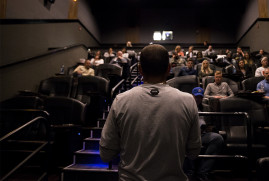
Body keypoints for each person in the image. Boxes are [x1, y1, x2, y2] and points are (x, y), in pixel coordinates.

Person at [100, 44, 201, 181]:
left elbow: (106, 154)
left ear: (140, 69)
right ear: (169, 69)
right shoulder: (188, 101)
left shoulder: (120, 100)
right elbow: (194, 152)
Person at [184, 87, 224, 181]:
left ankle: (203, 172)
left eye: (200, 97)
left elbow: (214, 123)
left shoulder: (206, 107)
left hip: (203, 134)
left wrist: (210, 128)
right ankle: (189, 172)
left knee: (217, 138)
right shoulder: (186, 107)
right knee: (183, 138)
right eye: (196, 97)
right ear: (192, 96)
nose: (198, 99)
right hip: (188, 134)